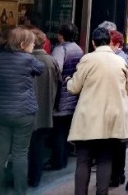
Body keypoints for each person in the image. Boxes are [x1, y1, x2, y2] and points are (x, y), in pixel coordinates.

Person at [68, 27, 128, 195]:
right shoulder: (120, 61)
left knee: (83, 161)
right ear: (109, 41)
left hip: (88, 118)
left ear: (93, 42)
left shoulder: (88, 59)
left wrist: (69, 80)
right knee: (105, 160)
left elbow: (74, 87)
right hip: (111, 119)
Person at [0, 27, 45, 195]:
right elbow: (41, 68)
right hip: (24, 114)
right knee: (20, 154)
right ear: (22, 44)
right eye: (31, 44)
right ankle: (20, 192)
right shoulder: (29, 60)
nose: (33, 46)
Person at [47, 23, 84, 171]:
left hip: (61, 95)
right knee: (66, 128)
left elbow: (57, 70)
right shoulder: (78, 49)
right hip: (73, 95)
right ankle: (64, 156)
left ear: (61, 35)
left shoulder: (60, 49)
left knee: (58, 130)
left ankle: (58, 160)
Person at [27, 29, 60, 188]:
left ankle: (25, 176)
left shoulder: (27, 60)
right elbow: (59, 84)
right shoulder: (51, 61)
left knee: (24, 146)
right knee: (38, 145)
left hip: (27, 110)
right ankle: (35, 177)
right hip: (46, 109)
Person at [109, 30, 128, 188]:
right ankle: (118, 174)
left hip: (117, 104)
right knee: (119, 142)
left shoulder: (119, 58)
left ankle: (116, 175)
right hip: (122, 104)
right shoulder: (125, 58)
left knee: (116, 142)